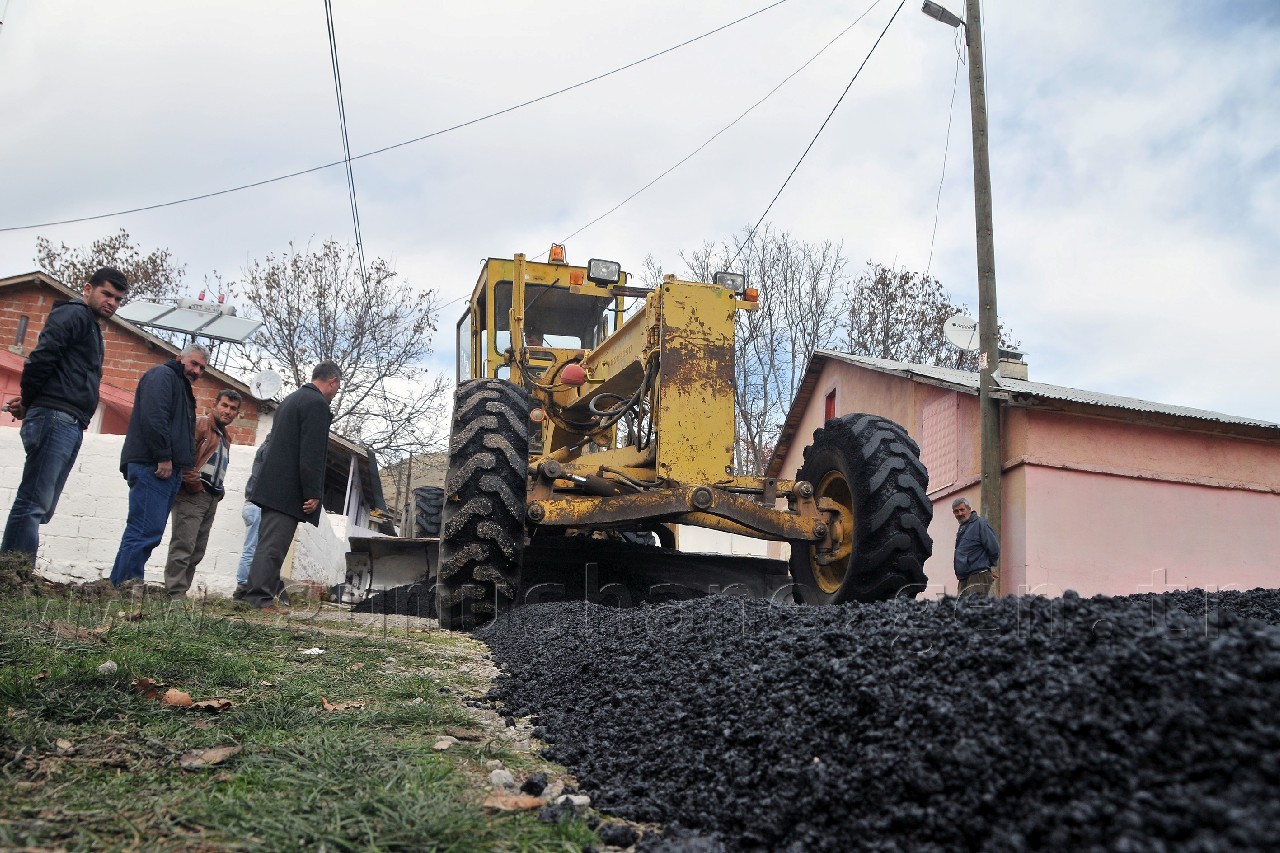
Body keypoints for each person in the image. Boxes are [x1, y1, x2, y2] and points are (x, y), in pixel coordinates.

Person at [2, 268, 129, 561]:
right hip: (55, 418)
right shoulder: (72, 315)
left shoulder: (90, 325)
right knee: (33, 502)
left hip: (69, 421)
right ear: (87, 289)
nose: (112, 302)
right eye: (106, 294)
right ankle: (13, 573)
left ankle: (13, 569)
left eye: (118, 299)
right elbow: (40, 360)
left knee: (41, 505)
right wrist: (31, 402)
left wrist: (31, 402)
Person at [242, 362, 340, 612]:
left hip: (272, 486)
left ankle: (251, 593)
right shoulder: (316, 405)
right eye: (336, 388)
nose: (335, 393)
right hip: (287, 490)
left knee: (266, 544)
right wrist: (312, 493)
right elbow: (311, 453)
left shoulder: (291, 400)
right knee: (274, 547)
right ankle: (259, 598)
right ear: (333, 382)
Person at [108, 344, 208, 588]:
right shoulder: (163, 376)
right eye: (193, 363)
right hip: (154, 466)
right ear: (178, 358)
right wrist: (163, 456)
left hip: (167, 470)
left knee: (145, 531)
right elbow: (154, 417)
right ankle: (129, 584)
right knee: (144, 530)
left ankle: (120, 585)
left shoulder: (180, 387)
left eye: (202, 368)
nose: (196, 370)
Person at [162, 389, 241, 601]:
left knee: (197, 549)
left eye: (233, 409)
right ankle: (174, 593)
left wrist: (219, 490)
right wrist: (194, 483)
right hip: (192, 496)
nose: (228, 411)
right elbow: (184, 456)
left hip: (210, 498)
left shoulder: (226, 437)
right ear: (215, 405)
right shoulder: (201, 424)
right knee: (183, 544)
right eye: (224, 405)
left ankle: (180, 592)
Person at [232, 434, 272, 600]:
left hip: (251, 504)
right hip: (256, 505)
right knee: (252, 548)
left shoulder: (265, 446)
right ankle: (242, 587)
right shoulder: (270, 449)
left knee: (252, 548)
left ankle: (245, 587)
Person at [952, 496, 1000, 596]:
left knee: (975, 608)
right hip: (964, 577)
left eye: (962, 510)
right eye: (956, 511)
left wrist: (989, 568)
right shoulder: (963, 527)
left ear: (969, 509)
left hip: (978, 575)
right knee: (960, 610)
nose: (960, 514)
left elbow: (994, 548)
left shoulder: (980, 524)